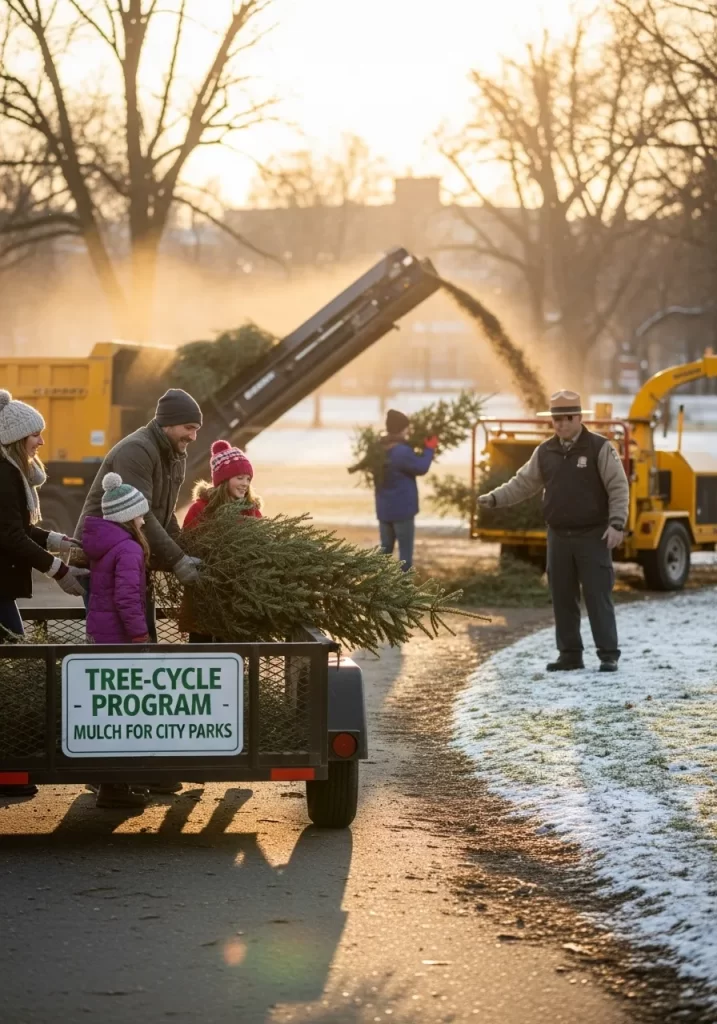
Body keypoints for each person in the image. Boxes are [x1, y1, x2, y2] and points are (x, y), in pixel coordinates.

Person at [477, 390, 629, 673]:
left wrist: (617, 524)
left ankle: (608, 654)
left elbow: (618, 488)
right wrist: (495, 498)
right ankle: (570, 654)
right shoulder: (545, 451)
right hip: (558, 536)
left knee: (598, 595)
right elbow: (523, 483)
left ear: (580, 418)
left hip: (593, 536)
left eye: (566, 418)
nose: (560, 424)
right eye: (556, 419)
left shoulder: (600, 448)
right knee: (562, 595)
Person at [0, 389, 88, 798]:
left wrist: (55, 538)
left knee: (12, 665)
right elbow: (11, 536)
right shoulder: (3, 475)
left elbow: (21, 529)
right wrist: (58, 569)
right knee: (14, 665)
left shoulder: (12, 472)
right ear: (18, 438)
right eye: (36, 434)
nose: (41, 441)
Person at [75, 388, 203, 640]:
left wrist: (186, 548)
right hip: (104, 561)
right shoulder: (136, 450)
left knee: (144, 638)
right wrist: (178, 559)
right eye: (189, 427)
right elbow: (140, 513)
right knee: (117, 643)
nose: (194, 435)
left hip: (132, 557)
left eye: (196, 428)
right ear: (168, 423)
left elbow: (165, 514)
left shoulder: (175, 454)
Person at [81, 473, 153, 809]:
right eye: (139, 513)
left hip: (101, 634)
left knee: (106, 708)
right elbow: (127, 597)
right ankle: (114, 787)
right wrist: (141, 635)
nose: (143, 519)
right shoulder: (128, 548)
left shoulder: (105, 544)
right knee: (122, 711)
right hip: (119, 639)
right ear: (127, 516)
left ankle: (105, 777)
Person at [179, 440, 262, 642]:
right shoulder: (200, 510)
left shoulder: (252, 511)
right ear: (223, 480)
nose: (245, 483)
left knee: (234, 653)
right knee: (201, 651)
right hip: (205, 596)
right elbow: (188, 545)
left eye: (248, 479)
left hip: (239, 599)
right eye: (239, 477)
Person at [374, 408, 438, 571]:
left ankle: (375, 585)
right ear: (401, 429)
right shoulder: (401, 452)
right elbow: (421, 467)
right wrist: (429, 449)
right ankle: (404, 591)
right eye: (406, 428)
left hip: (384, 509)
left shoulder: (379, 450)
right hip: (402, 510)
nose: (408, 431)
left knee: (385, 550)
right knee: (405, 557)